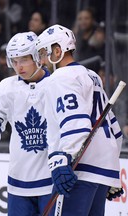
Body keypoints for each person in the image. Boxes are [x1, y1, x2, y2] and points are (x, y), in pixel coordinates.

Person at [35, 24, 123, 215]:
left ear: (57, 51)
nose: (41, 61)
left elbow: (75, 123)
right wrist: (110, 170)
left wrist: (61, 162)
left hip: (78, 169)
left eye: (43, 53)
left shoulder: (61, 77)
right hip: (101, 171)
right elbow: (115, 130)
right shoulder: (91, 76)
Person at [0, 32, 53, 215]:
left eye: (24, 59)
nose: (19, 66)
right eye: (14, 61)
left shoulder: (56, 85)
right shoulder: (6, 88)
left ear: (37, 56)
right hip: (18, 184)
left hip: (51, 181)